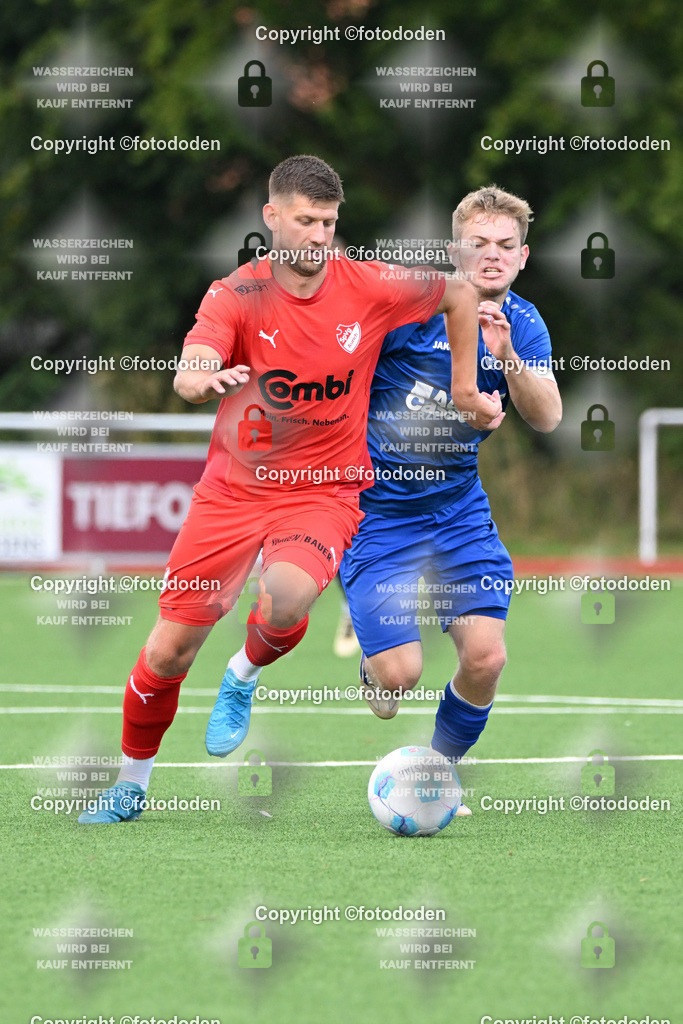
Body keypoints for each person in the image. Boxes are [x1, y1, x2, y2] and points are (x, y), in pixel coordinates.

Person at [78, 155, 503, 823]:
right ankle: (131, 782)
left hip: (324, 490)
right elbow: (197, 357)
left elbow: (456, 293)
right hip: (233, 491)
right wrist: (196, 378)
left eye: (328, 223)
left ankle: (242, 675)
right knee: (167, 650)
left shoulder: (368, 284)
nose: (318, 236)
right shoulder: (235, 294)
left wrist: (464, 388)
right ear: (271, 217)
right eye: (305, 221)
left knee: (286, 594)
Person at [338, 185, 562, 780]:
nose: (492, 254)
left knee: (487, 659)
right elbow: (339, 373)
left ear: (523, 257)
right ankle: (372, 660)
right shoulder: (412, 308)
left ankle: (434, 774)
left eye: (505, 245)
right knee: (397, 681)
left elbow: (548, 417)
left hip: (458, 512)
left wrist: (509, 356)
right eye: (478, 244)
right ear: (453, 251)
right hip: (376, 513)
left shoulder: (523, 321)